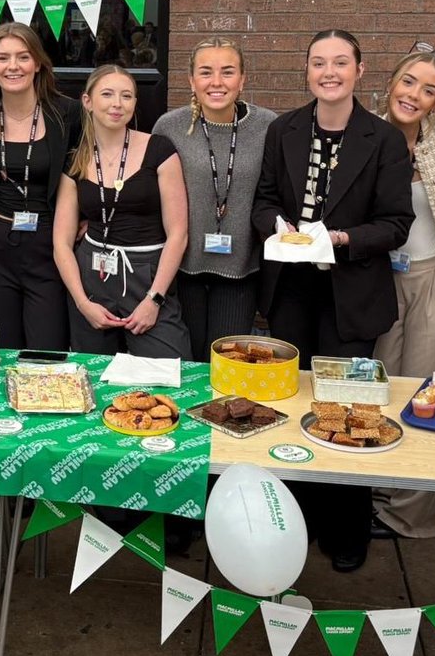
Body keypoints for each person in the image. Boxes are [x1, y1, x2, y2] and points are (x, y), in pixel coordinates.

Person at [251, 28, 413, 572]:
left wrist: (339, 239)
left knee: (345, 408)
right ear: (307, 71)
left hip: (352, 292)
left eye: (340, 62)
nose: (329, 72)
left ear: (360, 71)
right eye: (318, 62)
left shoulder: (384, 139)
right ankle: (299, 517)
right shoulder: (284, 129)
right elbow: (265, 199)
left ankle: (347, 528)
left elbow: (396, 224)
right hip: (292, 289)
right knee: (290, 403)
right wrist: (277, 226)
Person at [370, 42, 435, 540]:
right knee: (381, 387)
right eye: (409, 81)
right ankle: (379, 492)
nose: (415, 95)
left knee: (429, 391)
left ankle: (414, 514)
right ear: (391, 82)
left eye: (430, 90)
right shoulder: (362, 130)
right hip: (377, 278)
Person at [53, 64, 191, 359]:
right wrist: (82, 302)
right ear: (87, 102)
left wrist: (154, 300)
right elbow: (61, 243)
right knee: (91, 372)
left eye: (127, 96)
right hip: (92, 276)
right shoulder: (76, 160)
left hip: (148, 275)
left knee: (166, 371)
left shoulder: (160, 150)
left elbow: (178, 233)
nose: (117, 103)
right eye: (107, 94)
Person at [152, 37, 276, 357]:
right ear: (191, 80)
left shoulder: (267, 126)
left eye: (228, 72)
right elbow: (150, 194)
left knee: (226, 361)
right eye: (206, 72)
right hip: (184, 268)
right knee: (190, 361)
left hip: (241, 270)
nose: (217, 82)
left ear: (243, 79)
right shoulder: (170, 127)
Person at [0, 23, 80, 351]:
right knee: (1, 351)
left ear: (39, 63)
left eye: (22, 57)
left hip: (49, 246)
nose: (12, 66)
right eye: (3, 58)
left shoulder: (66, 113)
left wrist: (86, 215)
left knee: (48, 350)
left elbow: (84, 168)